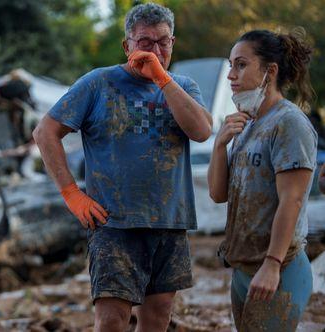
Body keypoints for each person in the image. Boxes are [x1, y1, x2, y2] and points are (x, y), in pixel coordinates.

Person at [32, 3, 212, 332]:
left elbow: (201, 131)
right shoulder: (98, 83)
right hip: (114, 223)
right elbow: (45, 133)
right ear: (127, 46)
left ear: (173, 42)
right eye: (145, 42)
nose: (155, 51)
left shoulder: (183, 86)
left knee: (158, 316)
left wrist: (161, 78)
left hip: (169, 222)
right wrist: (72, 193)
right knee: (112, 318)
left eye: (163, 42)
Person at [208, 29, 317, 331]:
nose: (231, 74)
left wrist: (272, 264)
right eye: (231, 65)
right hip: (244, 269)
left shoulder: (289, 123)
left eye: (241, 65)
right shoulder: (248, 124)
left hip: (279, 269)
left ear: (270, 71)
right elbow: (218, 194)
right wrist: (220, 145)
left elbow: (291, 200)